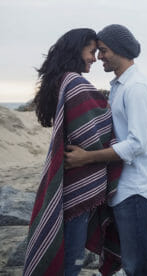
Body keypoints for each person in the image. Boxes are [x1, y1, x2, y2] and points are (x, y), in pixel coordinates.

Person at [23, 28, 122, 276]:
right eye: (91, 51)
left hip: (67, 180)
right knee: (73, 256)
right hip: (79, 183)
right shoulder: (75, 84)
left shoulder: (59, 81)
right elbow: (96, 128)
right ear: (77, 51)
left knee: (64, 246)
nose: (94, 58)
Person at [64, 24, 147, 276]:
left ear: (119, 50)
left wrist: (87, 158)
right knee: (129, 263)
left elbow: (137, 144)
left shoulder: (136, 87)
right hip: (121, 186)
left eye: (104, 50)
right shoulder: (119, 86)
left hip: (135, 187)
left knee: (138, 265)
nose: (100, 57)